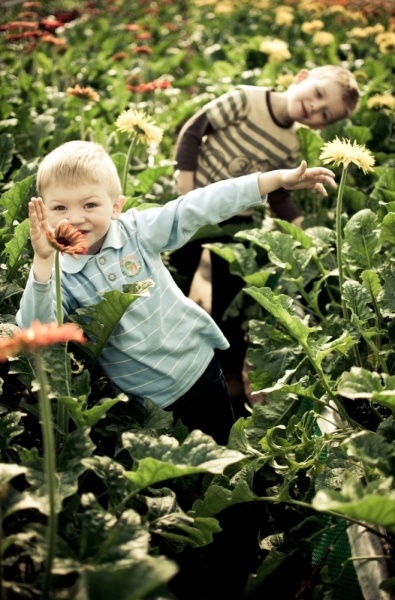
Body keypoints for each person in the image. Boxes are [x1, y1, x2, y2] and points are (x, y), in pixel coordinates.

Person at [16, 140, 337, 445]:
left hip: (199, 367)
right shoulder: (58, 272)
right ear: (43, 211)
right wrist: (43, 263)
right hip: (148, 402)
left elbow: (197, 206)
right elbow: (36, 331)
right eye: (60, 207)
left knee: (225, 451)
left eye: (90, 204)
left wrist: (274, 180)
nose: (75, 217)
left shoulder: (136, 232)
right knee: (185, 476)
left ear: (115, 207)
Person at [170, 64, 360, 404]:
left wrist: (298, 223)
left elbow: (277, 193)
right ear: (302, 78)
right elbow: (193, 132)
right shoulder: (246, 99)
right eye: (317, 94)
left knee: (229, 302)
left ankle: (225, 375)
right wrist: (186, 189)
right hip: (191, 207)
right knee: (178, 280)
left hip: (235, 220)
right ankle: (173, 359)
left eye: (324, 113)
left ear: (320, 125)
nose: (314, 107)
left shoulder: (289, 145)